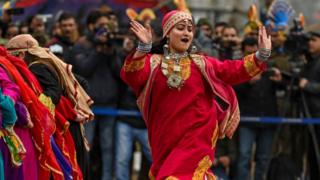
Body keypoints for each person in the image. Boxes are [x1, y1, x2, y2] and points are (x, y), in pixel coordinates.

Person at [121, 10, 272, 179]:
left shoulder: (202, 63)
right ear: (168, 34)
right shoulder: (153, 63)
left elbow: (232, 70)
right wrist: (143, 48)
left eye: (190, 29)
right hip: (164, 135)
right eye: (180, 28)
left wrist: (261, 55)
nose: (187, 32)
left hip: (197, 134)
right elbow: (132, 76)